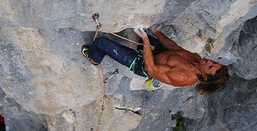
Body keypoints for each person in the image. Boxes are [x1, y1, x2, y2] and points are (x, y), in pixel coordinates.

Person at [81, 25, 230, 94]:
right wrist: (156, 32)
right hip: (160, 53)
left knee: (100, 43)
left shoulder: (183, 76)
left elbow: (150, 68)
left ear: (204, 76)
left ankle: (94, 58)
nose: (209, 61)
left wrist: (146, 40)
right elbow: (174, 48)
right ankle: (158, 73)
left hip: (144, 65)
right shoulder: (196, 59)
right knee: (142, 34)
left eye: (210, 67)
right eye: (214, 62)